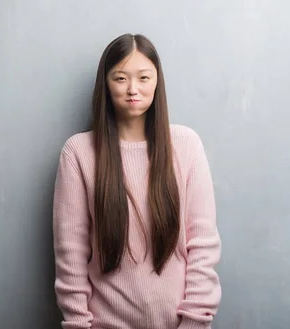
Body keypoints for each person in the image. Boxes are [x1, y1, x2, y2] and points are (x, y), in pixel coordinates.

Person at [52, 33, 222, 329]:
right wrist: (78, 324)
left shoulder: (186, 145)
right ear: (105, 84)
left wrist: (193, 323)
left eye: (144, 77)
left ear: (158, 81)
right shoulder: (78, 152)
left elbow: (203, 246)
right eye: (120, 78)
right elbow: (70, 256)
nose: (133, 89)